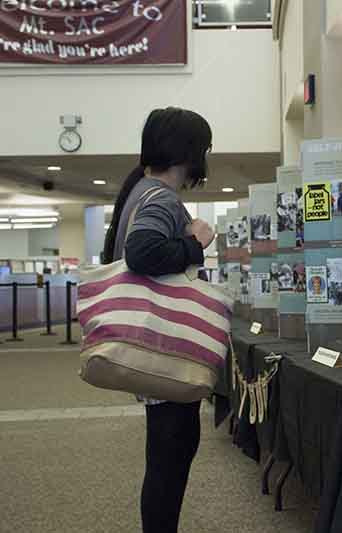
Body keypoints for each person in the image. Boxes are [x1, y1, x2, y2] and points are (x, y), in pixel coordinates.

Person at [101, 107, 214, 533]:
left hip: (146, 341)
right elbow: (143, 253)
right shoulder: (161, 198)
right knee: (171, 457)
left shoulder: (138, 190)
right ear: (189, 151)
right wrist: (195, 244)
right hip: (163, 345)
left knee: (165, 457)